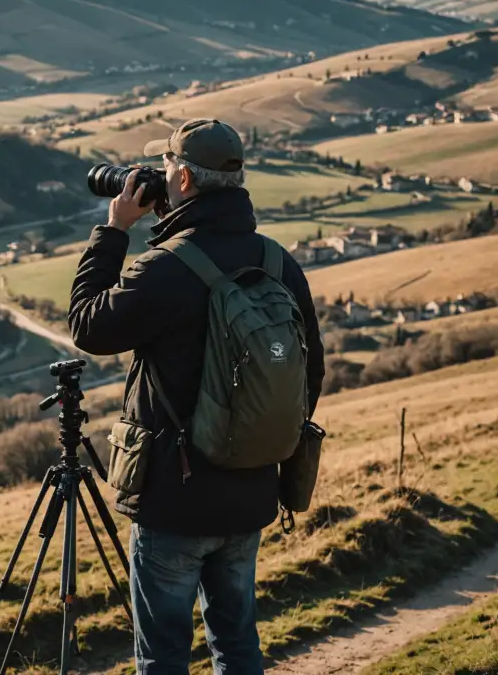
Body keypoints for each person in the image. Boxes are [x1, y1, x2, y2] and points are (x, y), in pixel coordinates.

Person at [68, 118, 325, 674]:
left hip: (173, 503)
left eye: (165, 168)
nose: (160, 175)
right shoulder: (278, 262)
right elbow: (311, 377)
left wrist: (114, 231)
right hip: (252, 492)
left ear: (182, 177)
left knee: (161, 657)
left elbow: (88, 327)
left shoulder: (165, 268)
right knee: (236, 645)